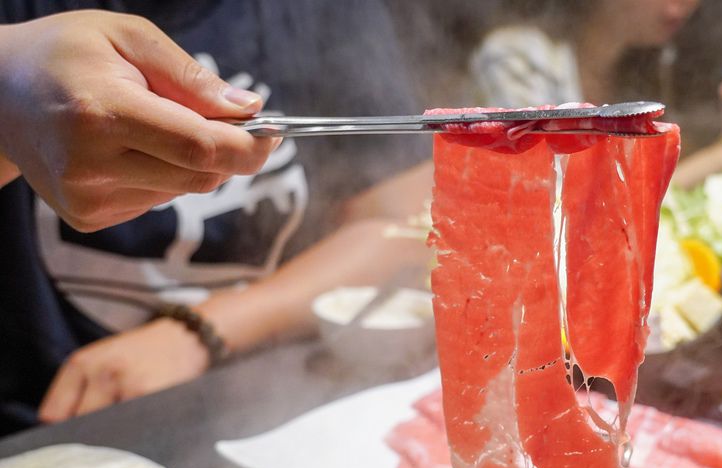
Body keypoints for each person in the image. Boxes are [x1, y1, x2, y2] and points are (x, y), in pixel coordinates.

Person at [0, 1, 432, 434]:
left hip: (276, 399)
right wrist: (8, 85)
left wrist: (198, 332)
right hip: (45, 416)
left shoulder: (324, 12)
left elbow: (404, 226)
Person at [470, 0, 722, 188]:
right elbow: (563, 202)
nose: (683, 6)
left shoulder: (647, 63)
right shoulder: (516, 57)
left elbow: (660, 166)